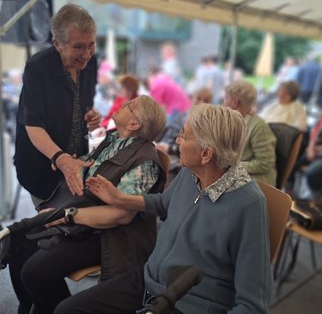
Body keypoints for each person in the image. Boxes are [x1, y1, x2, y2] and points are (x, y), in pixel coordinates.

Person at [55, 104, 272, 314]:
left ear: (206, 154)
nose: (177, 141)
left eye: (183, 136)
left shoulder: (248, 204)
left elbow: (252, 304)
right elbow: (163, 203)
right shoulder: (192, 173)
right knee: (66, 310)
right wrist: (120, 198)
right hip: (149, 282)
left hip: (187, 304)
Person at [9, 95, 167, 314]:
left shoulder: (145, 161)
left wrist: (65, 215)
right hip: (84, 220)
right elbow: (89, 170)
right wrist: (73, 164)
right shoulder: (113, 140)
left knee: (35, 272)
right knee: (17, 244)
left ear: (134, 124)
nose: (122, 104)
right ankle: (30, 308)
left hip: (112, 236)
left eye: (130, 105)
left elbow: (120, 216)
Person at [14, 3, 101, 204]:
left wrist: (89, 115)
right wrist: (61, 159)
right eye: (78, 47)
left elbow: (83, 104)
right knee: (51, 223)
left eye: (91, 45)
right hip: (41, 167)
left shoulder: (91, 63)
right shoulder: (38, 67)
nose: (87, 54)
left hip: (77, 160)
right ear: (57, 44)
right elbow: (33, 125)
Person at [224, 81, 277, 186]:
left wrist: (232, 167)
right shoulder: (230, 122)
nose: (223, 102)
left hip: (257, 181)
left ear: (235, 102)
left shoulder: (258, 126)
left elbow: (264, 163)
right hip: (237, 174)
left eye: (226, 98)